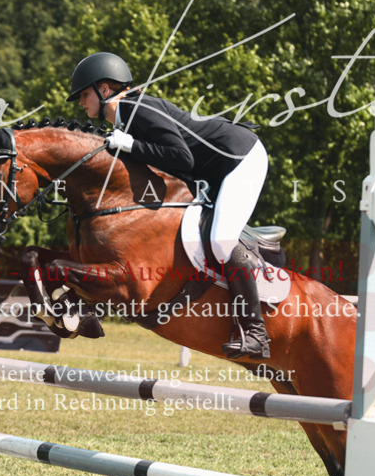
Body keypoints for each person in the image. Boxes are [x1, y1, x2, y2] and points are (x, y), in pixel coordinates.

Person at [68, 52, 271, 359]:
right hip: (213, 171)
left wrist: (131, 145)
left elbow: (182, 157)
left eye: (84, 95)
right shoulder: (127, 119)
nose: (81, 103)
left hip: (239, 159)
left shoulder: (137, 108)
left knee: (220, 240)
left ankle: (255, 332)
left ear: (104, 89)